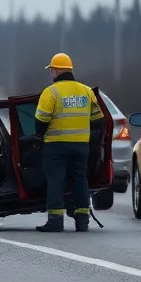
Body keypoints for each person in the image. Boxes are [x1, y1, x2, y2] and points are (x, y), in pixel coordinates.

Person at [33, 52, 105, 232]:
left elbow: (41, 119)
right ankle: (82, 220)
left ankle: (55, 220)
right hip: (81, 145)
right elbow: (99, 120)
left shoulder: (51, 92)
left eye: (52, 70)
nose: (51, 73)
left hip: (56, 145)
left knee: (56, 179)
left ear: (56, 71)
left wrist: (38, 138)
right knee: (80, 180)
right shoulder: (86, 91)